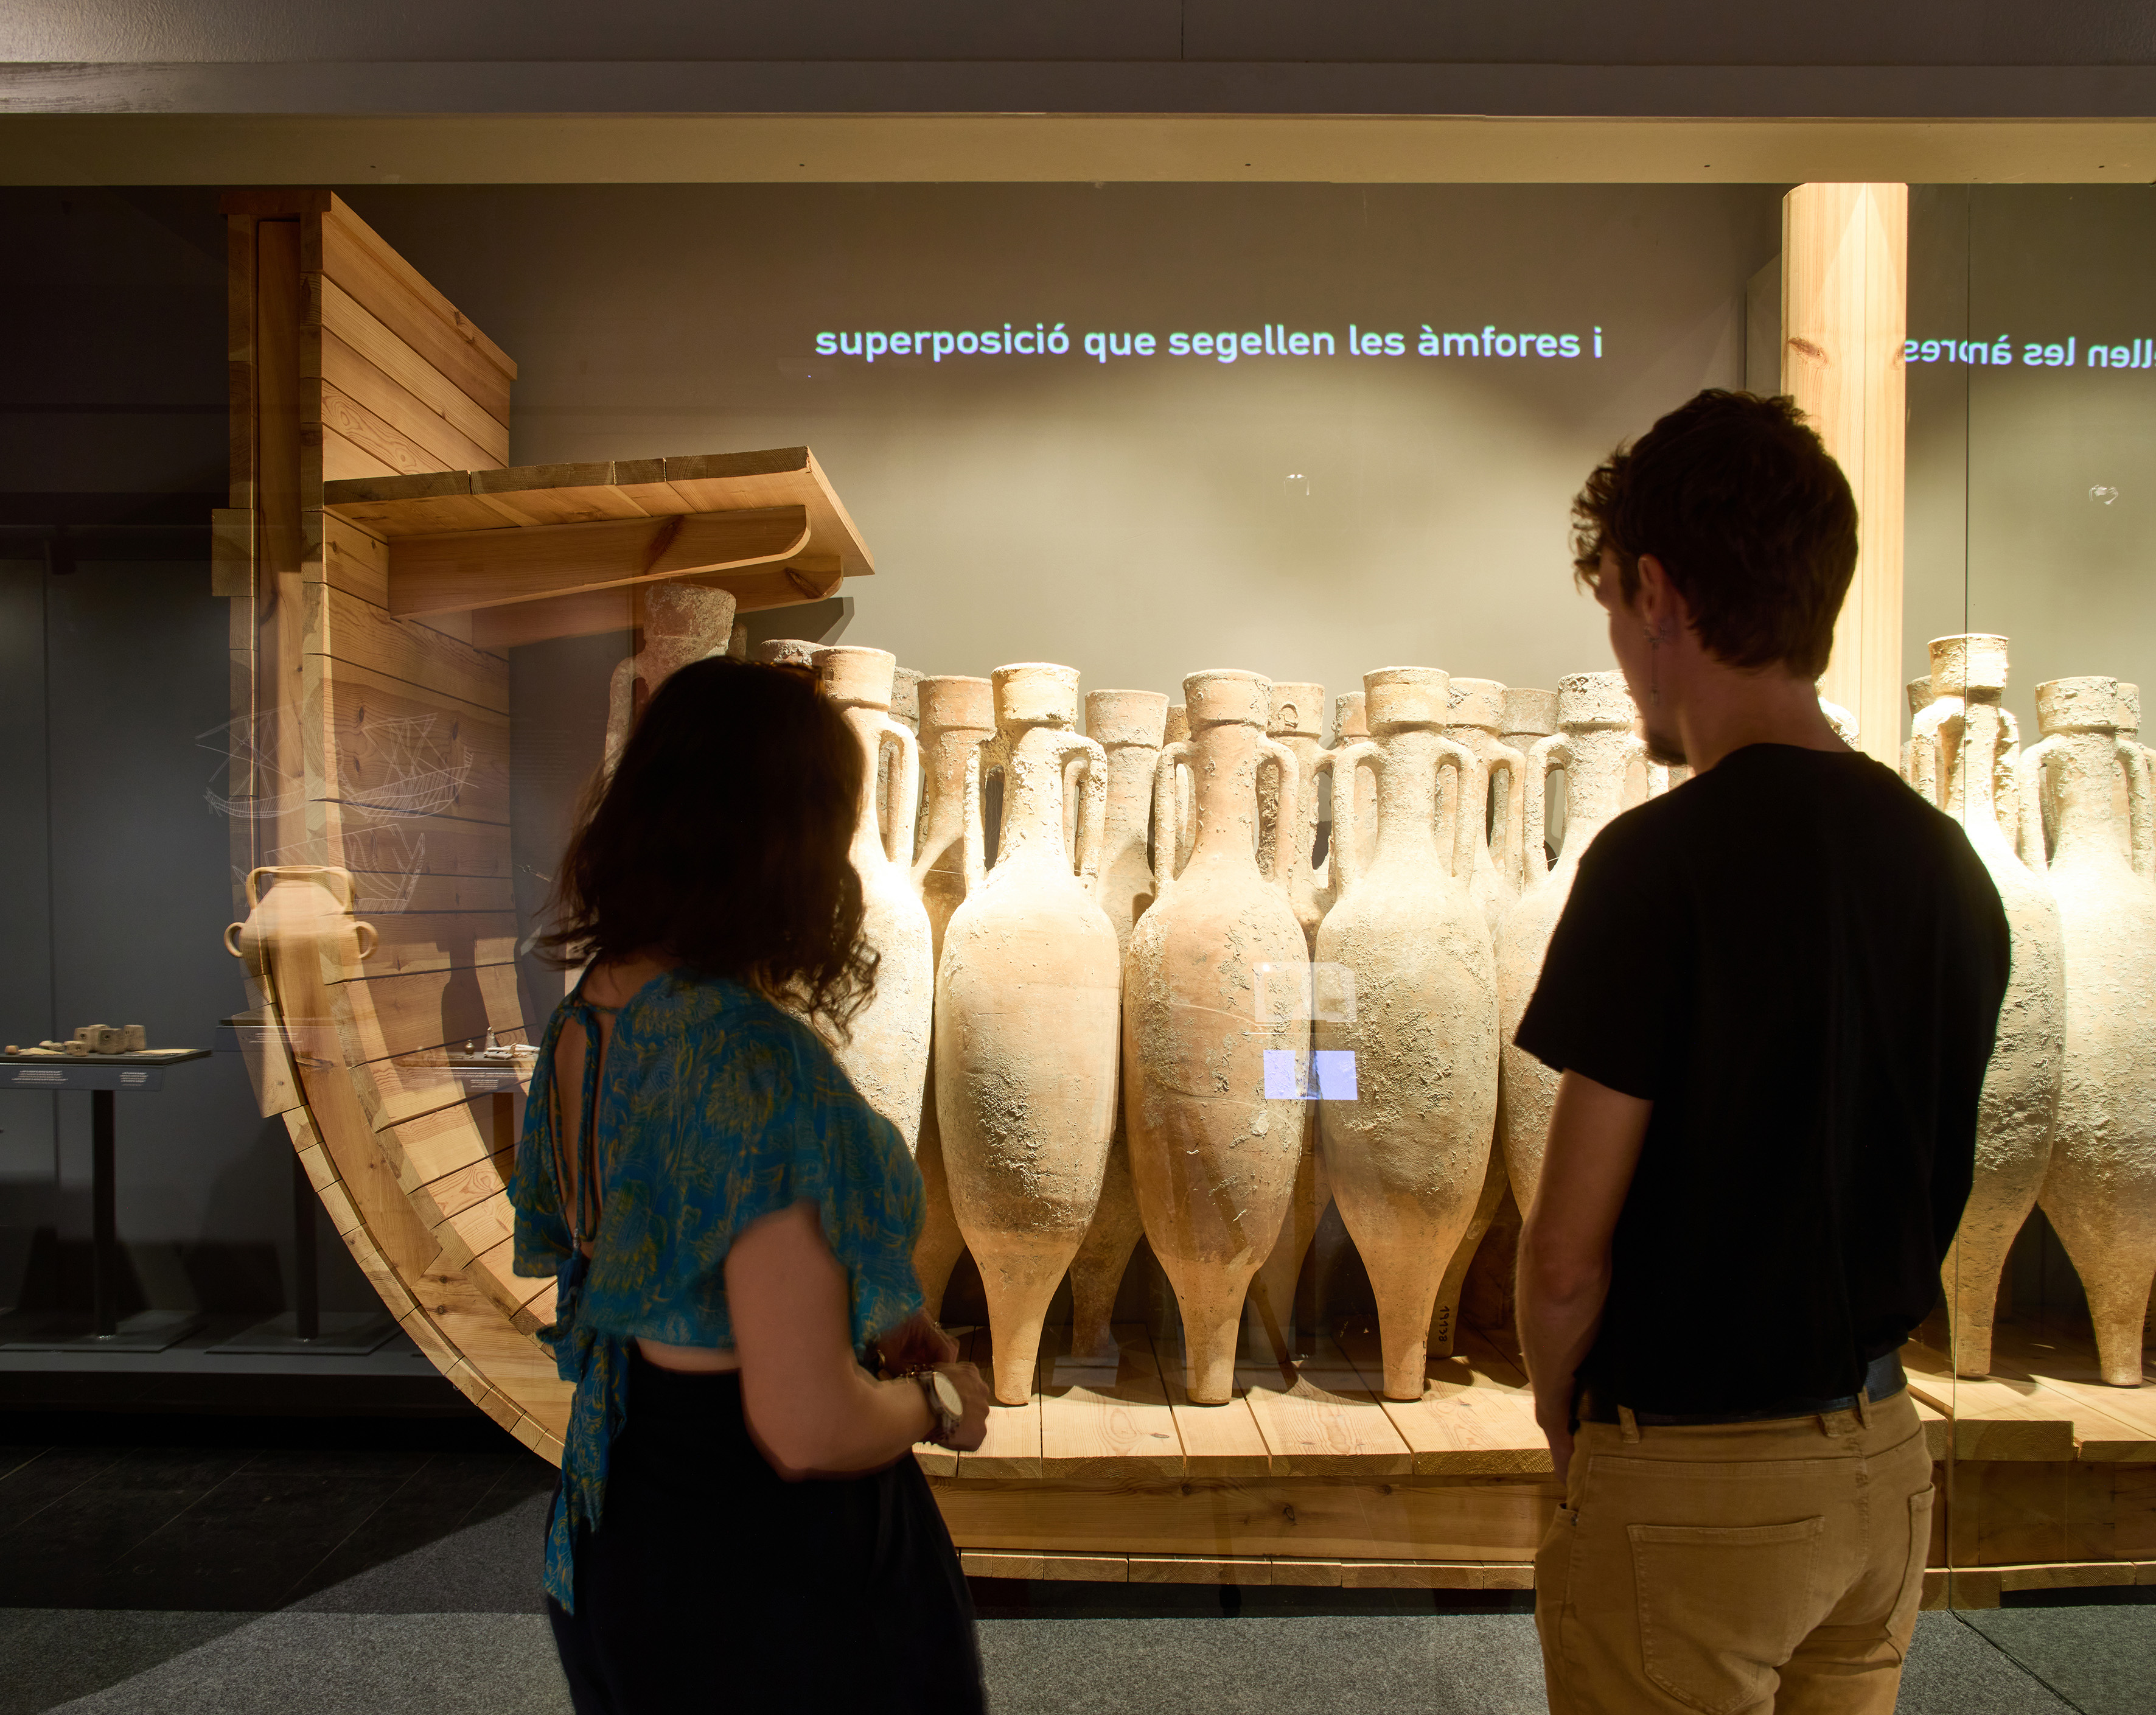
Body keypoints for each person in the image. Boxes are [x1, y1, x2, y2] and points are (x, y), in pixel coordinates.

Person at [1513, 390, 2009, 1714]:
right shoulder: (1948, 868)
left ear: (1654, 589)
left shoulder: (1655, 866)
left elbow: (1565, 1253)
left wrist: (1563, 1415)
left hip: (1690, 1477)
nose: (1621, 654)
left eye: (1614, 611)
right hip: (1883, 1457)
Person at [509, 654, 993, 1715]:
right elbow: (804, 1424)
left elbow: (685, 1268)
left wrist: (879, 1309)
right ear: (788, 845)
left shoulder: (589, 1015)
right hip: (760, 1576)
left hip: (621, 1526)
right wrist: (937, 1402)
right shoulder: (752, 1063)